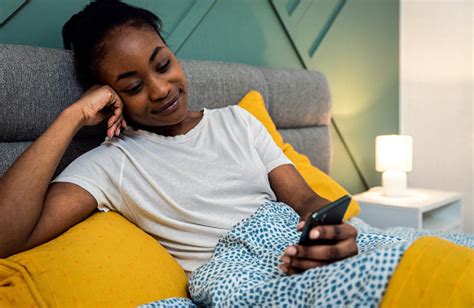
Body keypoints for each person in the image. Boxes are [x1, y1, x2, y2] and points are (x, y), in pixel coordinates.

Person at [0, 0, 358, 279]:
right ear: (110, 95)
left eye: (162, 64)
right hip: (252, 278)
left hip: (306, 255)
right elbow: (7, 235)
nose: (160, 89)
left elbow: (304, 198)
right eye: (134, 87)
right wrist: (72, 116)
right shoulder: (114, 163)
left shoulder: (239, 122)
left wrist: (330, 232)